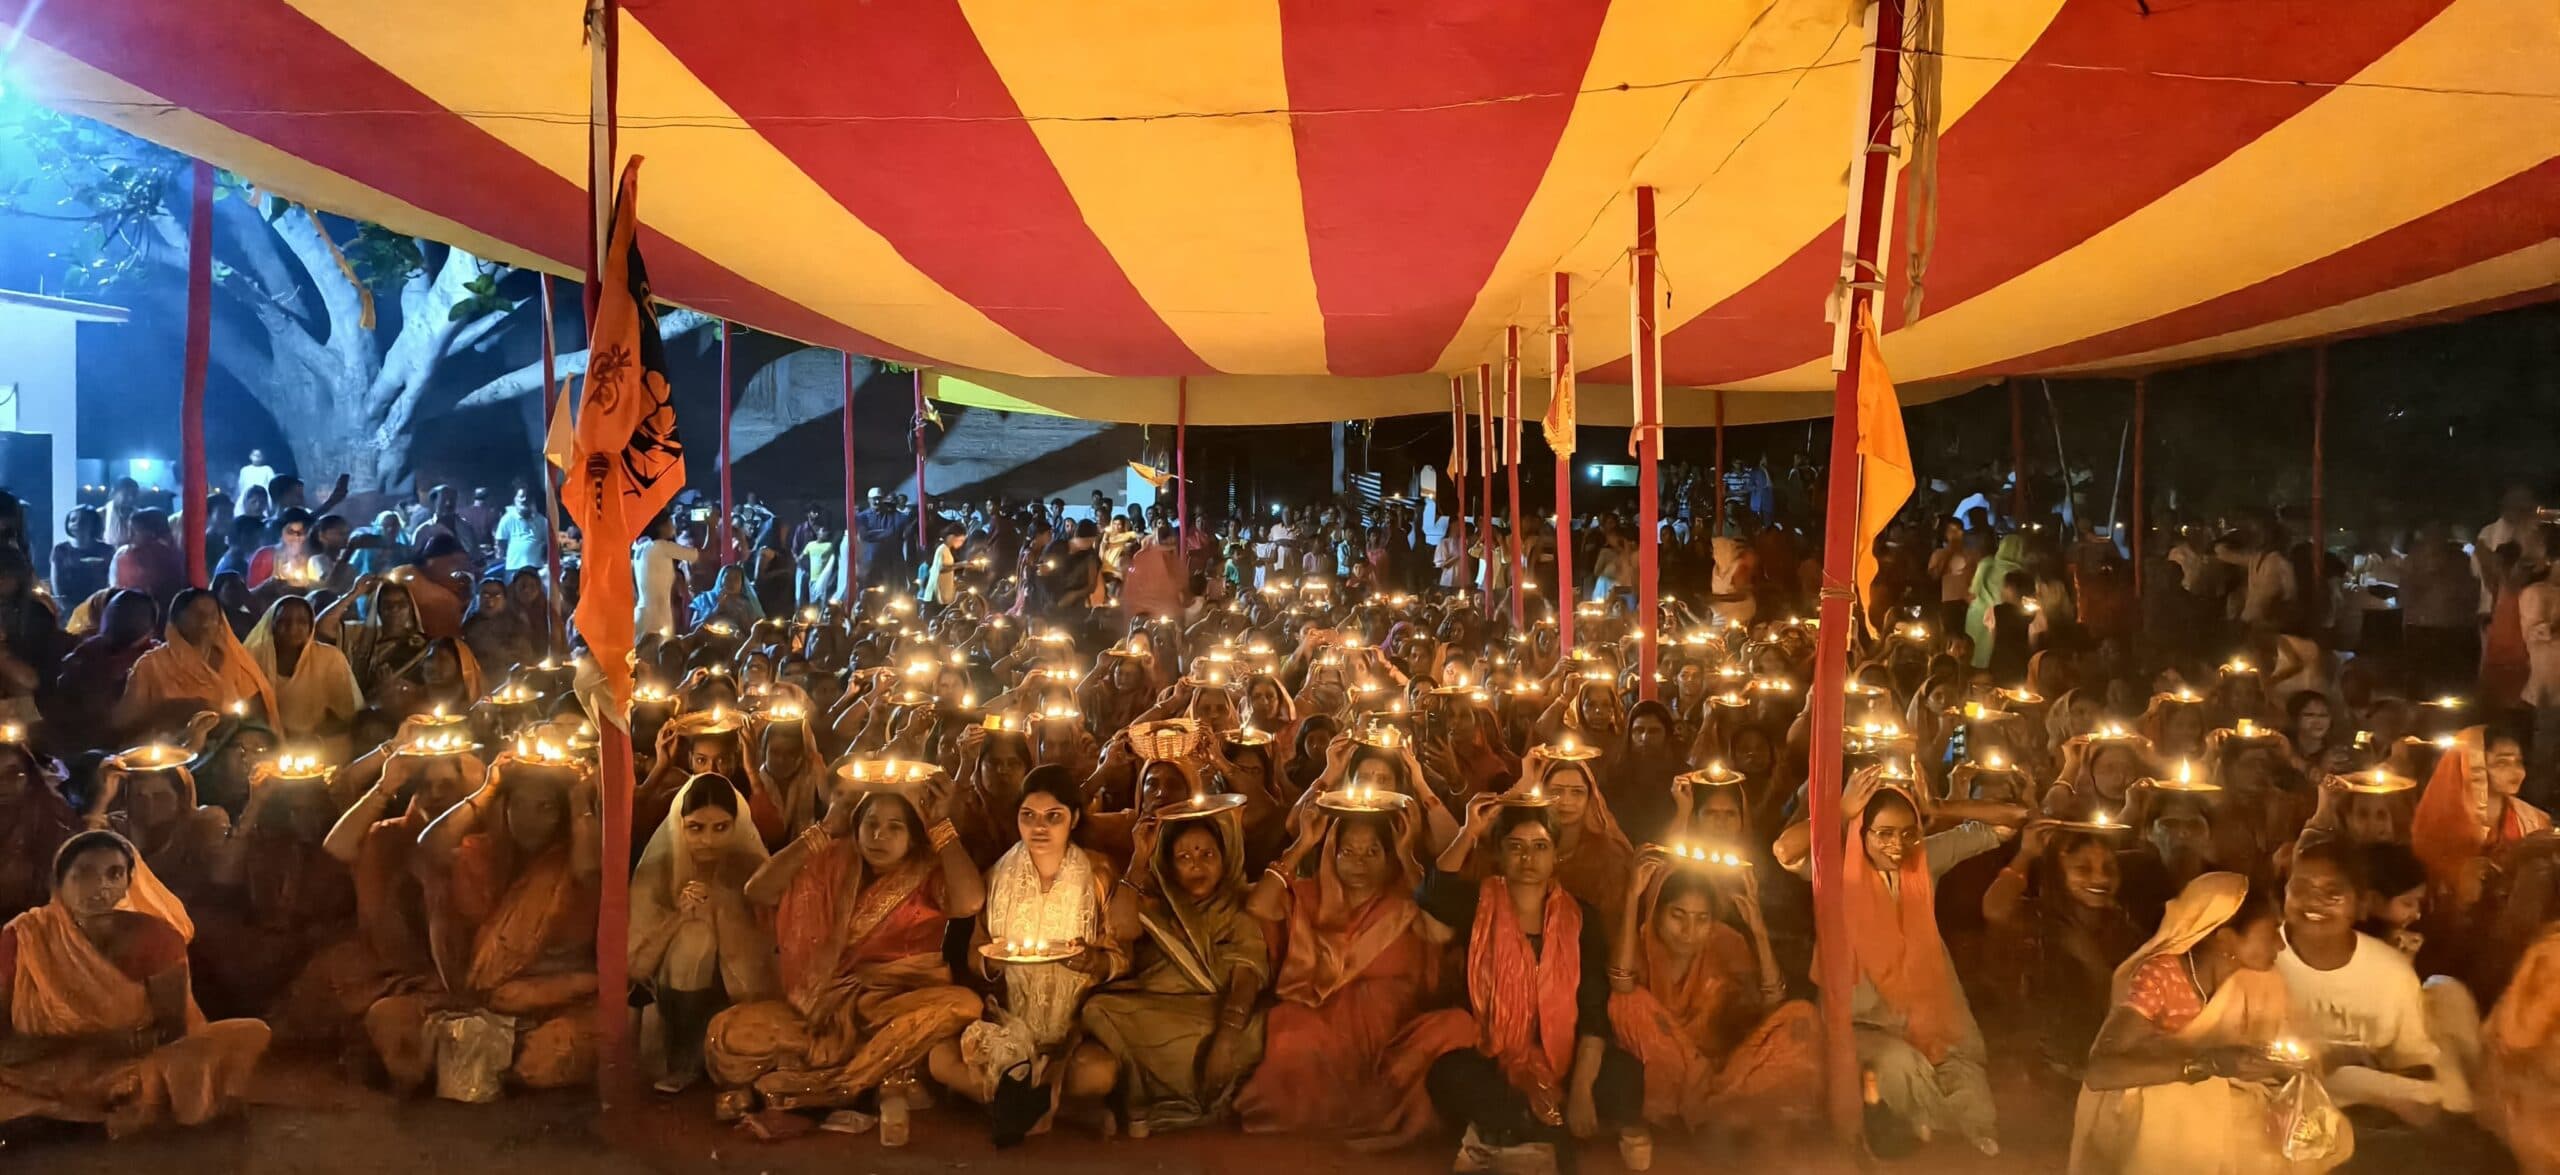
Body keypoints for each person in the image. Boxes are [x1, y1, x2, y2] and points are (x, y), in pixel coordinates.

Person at [1366, 794, 1649, 1172]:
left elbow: (1593, 1010)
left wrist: (1581, 1088)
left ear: (1555, 855)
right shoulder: (1478, 902)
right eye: (1515, 847)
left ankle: (1515, 1130)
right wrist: (1469, 831)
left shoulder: (1582, 917)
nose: (1528, 859)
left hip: (1564, 1057)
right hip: (1494, 1054)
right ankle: (1543, 1129)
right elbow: (1430, 895)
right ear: (1499, 853)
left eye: (1539, 847)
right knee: (1449, 1075)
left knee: (1626, 1075)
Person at [706, 775, 983, 1137]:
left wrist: (942, 827)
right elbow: (758, 890)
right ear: (855, 826)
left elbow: (970, 902)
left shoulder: (928, 868)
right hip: (821, 1009)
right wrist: (823, 830)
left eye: (894, 826)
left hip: (894, 1007)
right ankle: (882, 1073)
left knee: (963, 1005)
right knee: (724, 1035)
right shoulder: (833, 859)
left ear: (915, 835)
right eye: (871, 823)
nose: (879, 835)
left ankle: (823, 1085)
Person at [0, 831, 272, 1136]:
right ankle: (95, 1117)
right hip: (45, 1064)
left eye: (114, 874)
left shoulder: (156, 938)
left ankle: (70, 1118)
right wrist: (80, 1048)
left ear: (128, 883)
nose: (101, 885)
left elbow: (174, 1027)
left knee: (244, 1034)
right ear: (58, 883)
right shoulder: (24, 936)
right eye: (84, 874)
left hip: (130, 1064)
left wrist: (127, 1044)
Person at [2070, 872, 2340, 1173]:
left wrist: (2282, 1066)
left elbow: (2296, 1053)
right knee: (2173, 1101)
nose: (2280, 945)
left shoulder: (2263, 981)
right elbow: (2100, 1071)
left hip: (2234, 1107)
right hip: (2161, 1121)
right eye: (2272, 932)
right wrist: (2206, 1065)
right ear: (2225, 938)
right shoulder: (2163, 978)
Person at [365, 750, 601, 1094]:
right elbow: (430, 847)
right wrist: (487, 788)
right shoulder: (483, 852)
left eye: (544, 808)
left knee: (549, 1056)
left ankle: (492, 1065)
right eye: (517, 806)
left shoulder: (573, 862)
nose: (528, 819)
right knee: (389, 1018)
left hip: (556, 1002)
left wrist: (579, 797)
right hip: (468, 997)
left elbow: (589, 869)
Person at [929, 766, 1129, 1124]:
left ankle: (1009, 1102)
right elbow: (976, 954)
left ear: (1075, 818)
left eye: (1053, 817)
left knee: (1100, 1072)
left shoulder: (1099, 873)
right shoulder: (995, 875)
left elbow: (1121, 954)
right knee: (940, 1058)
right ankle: (1048, 1105)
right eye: (1029, 816)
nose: (1040, 827)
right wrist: (994, 963)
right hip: (1008, 1024)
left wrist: (1093, 962)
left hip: (1074, 1032)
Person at [1234, 809, 1435, 1135]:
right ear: (1331, 853)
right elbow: (1258, 906)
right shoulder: (1311, 895)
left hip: (1390, 1019)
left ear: (1388, 858)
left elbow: (1437, 930)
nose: (1360, 862)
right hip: (1319, 1004)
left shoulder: (1403, 901)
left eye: (1373, 852)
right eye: (1348, 851)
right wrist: (1302, 843)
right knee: (1292, 1030)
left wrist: (1407, 855)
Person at [1073, 807, 1269, 1135]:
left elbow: (1246, 980)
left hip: (1217, 1019)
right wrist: (1139, 860)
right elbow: (1120, 928)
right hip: (1159, 1017)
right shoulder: (1156, 908)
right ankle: (1139, 1096)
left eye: (1208, 854)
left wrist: (1225, 1039)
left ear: (1226, 859)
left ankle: (1163, 1097)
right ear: (1168, 865)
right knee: (1098, 1009)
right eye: (1184, 856)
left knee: (1263, 1027)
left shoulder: (1237, 915)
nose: (1197, 864)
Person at [1605, 846, 1821, 1143]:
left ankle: (1717, 1107)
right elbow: (1621, 984)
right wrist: (1632, 899)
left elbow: (1772, 1003)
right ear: (1656, 913)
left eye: (1701, 919)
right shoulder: (1643, 942)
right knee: (1626, 1003)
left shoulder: (1726, 942)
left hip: (1730, 1068)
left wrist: (1757, 929)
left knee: (1801, 1016)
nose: (1688, 931)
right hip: (1675, 1070)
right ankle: (1716, 1112)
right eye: (1678, 915)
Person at [2276, 840, 2470, 1124]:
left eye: (2332, 894)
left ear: (2360, 904)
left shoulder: (2392, 973)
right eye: (2301, 889)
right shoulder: (2262, 959)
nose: (2314, 903)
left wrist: (2356, 1069)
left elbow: (2416, 1064)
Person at [626, 774, 776, 1095]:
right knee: (693, 940)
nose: (708, 840)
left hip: (741, 989)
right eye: (696, 828)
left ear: (736, 826)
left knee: (704, 934)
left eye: (720, 828)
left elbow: (771, 947)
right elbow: (636, 967)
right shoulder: (657, 873)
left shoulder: (751, 868)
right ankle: (684, 1058)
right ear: (680, 826)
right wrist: (679, 917)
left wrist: (723, 906)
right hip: (672, 1000)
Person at [115, 588, 276, 737]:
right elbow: (124, 724)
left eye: (213, 615)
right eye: (197, 614)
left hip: (232, 748)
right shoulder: (151, 666)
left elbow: (256, 710)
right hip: (175, 752)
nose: (206, 621)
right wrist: (174, 711)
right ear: (176, 619)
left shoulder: (235, 660)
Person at [243, 596, 363, 760]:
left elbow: (347, 714)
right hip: (265, 740)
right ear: (272, 624)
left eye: (301, 622)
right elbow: (245, 710)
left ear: (311, 626)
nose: (292, 628)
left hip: (317, 742)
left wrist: (309, 736)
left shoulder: (330, 658)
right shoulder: (253, 657)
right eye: (284, 621)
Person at [634, 512, 700, 640]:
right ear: (661, 526)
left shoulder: (640, 547)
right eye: (670, 522)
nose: (674, 526)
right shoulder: (662, 546)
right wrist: (702, 529)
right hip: (658, 616)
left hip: (642, 612)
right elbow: (695, 555)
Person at [52, 505, 113, 606]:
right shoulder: (60, 550)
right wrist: (63, 604)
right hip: (69, 604)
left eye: (83, 520)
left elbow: (111, 578)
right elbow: (56, 580)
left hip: (99, 603)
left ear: (94, 524)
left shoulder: (107, 550)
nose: (77, 524)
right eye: (73, 520)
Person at [492, 489, 549, 573]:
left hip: (536, 567)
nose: (524, 499)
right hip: (514, 567)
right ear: (515, 499)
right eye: (521, 497)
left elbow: (549, 543)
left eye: (527, 498)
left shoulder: (541, 520)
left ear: (532, 501)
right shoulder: (507, 518)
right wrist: (501, 558)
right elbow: (500, 542)